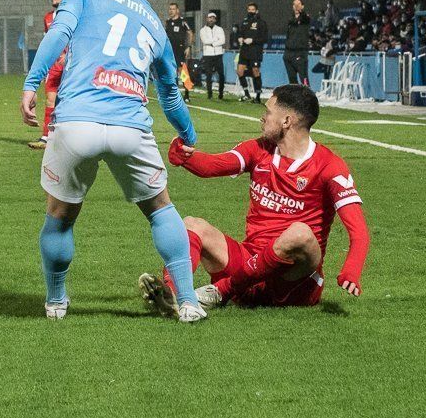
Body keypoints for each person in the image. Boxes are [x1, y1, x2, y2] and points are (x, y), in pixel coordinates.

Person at [19, 0, 206, 323]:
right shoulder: (155, 23)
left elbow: (58, 34)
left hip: (76, 123)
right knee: (160, 210)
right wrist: (188, 135)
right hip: (130, 128)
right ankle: (188, 302)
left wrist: (32, 83)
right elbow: (170, 95)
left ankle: (56, 302)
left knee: (60, 214)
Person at [138, 85, 370, 313]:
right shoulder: (259, 149)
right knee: (191, 224)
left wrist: (351, 269)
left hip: (294, 282)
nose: (262, 118)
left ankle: (222, 290)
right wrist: (185, 157)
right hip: (250, 266)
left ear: (286, 121)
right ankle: (173, 294)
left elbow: (359, 231)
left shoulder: (330, 166)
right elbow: (213, 165)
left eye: (268, 112)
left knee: (300, 233)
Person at [28, 0, 71, 150]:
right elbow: (48, 42)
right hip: (54, 66)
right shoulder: (48, 17)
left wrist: (69, 55)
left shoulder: (74, 15)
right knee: (50, 100)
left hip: (72, 66)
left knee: (70, 101)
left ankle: (69, 138)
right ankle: (46, 137)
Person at [236, 2, 268, 103]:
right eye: (249, 10)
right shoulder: (244, 22)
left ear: (256, 11)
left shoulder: (261, 23)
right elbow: (240, 33)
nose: (250, 12)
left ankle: (258, 96)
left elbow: (264, 38)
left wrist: (252, 40)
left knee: (255, 71)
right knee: (240, 71)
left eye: (252, 10)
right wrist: (240, 38)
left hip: (255, 51)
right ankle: (246, 94)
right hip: (244, 50)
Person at [165, 3, 193, 103]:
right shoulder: (168, 22)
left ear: (177, 10)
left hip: (180, 50)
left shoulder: (182, 21)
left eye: (173, 9)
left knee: (183, 72)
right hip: (170, 51)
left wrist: (188, 46)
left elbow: (190, 32)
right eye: (170, 9)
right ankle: (175, 95)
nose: (171, 11)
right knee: (173, 72)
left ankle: (187, 94)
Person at [284, 0, 310, 85]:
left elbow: (305, 16)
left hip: (300, 53)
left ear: (303, 6)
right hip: (288, 54)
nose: (296, 6)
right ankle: (295, 98)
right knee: (292, 81)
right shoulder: (290, 20)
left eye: (298, 4)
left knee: (304, 79)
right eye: (294, 4)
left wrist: (301, 11)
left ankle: (308, 97)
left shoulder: (305, 19)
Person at [199, 12, 225, 99]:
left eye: (213, 18)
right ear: (207, 19)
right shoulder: (203, 30)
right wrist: (216, 40)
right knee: (208, 74)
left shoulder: (220, 29)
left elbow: (223, 41)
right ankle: (209, 94)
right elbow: (205, 41)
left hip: (218, 54)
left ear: (215, 20)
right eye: (210, 18)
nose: (211, 19)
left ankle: (221, 93)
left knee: (221, 74)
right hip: (208, 54)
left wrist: (212, 43)